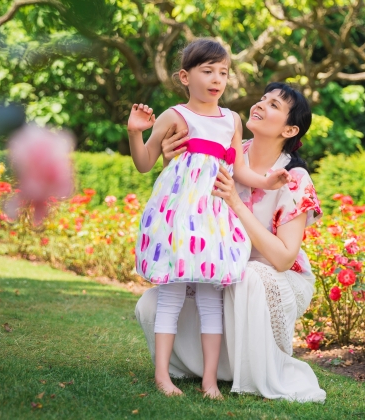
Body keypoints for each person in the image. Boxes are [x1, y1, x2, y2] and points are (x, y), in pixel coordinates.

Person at [135, 82, 327, 402]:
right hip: (220, 263)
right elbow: (184, 192)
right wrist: (170, 160)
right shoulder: (226, 146)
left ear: (290, 129)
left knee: (246, 278)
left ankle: (253, 372)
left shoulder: (294, 178)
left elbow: (282, 259)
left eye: (274, 105)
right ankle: (214, 369)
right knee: (152, 305)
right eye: (263, 99)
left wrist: (236, 204)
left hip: (272, 277)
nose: (261, 105)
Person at [126, 39, 290, 399]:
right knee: (169, 295)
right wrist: (135, 131)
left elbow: (240, 169)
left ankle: (210, 381)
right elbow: (144, 163)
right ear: (185, 76)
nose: (217, 79)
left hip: (214, 220)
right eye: (207, 71)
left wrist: (268, 180)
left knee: (210, 299)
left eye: (223, 72)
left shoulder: (232, 119)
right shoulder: (175, 116)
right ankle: (162, 376)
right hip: (179, 218)